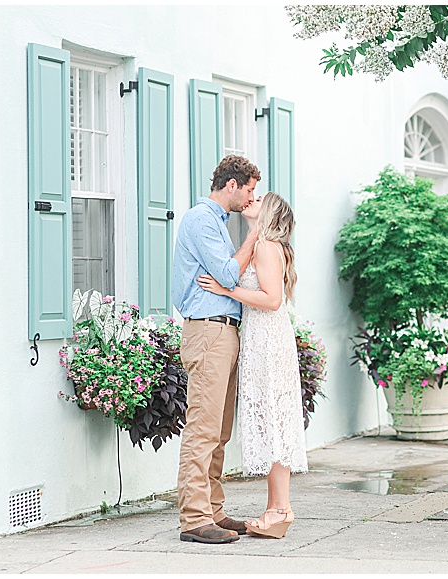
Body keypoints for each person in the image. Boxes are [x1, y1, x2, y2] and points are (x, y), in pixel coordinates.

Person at [197, 191, 308, 539]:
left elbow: (272, 300)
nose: (250, 200)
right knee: (276, 422)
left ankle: (280, 509)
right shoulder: (265, 245)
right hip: (265, 339)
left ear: (269, 212)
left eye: (259, 199)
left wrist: (226, 291)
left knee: (275, 424)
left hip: (268, 340)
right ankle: (277, 509)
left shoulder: (265, 248)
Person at [171, 155, 261, 544]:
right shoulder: (200, 219)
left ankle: (214, 511)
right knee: (203, 430)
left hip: (224, 332)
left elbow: (227, 276)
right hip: (207, 333)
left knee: (220, 431)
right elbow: (227, 273)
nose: (251, 198)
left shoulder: (220, 224)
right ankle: (193, 519)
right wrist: (255, 236)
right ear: (232, 185)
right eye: (250, 190)